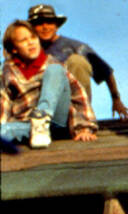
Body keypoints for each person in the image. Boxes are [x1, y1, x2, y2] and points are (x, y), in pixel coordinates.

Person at [1, 20, 97, 150]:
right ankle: (37, 129)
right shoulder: (7, 70)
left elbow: (77, 95)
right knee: (4, 131)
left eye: (33, 37)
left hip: (57, 121)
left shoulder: (53, 63)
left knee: (55, 71)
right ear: (14, 48)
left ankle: (41, 118)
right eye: (23, 40)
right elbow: (4, 101)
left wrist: (84, 127)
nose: (30, 42)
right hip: (26, 125)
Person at [26, 5, 128, 120]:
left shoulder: (77, 47)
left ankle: (80, 117)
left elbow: (106, 72)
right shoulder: (25, 51)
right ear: (31, 27)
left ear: (56, 26)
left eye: (49, 22)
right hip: (38, 114)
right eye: (39, 23)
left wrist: (116, 99)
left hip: (69, 109)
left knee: (77, 62)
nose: (45, 27)